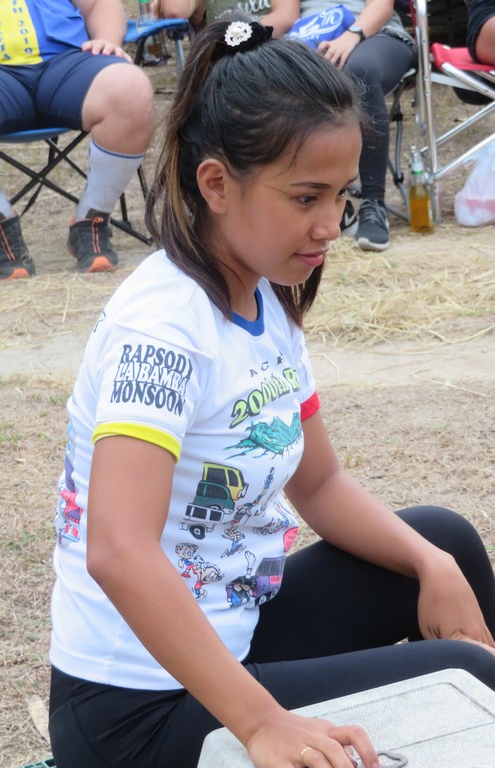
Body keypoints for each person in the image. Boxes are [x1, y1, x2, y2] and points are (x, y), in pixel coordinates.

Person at [48, 17, 495, 768]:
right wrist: (262, 724)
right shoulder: (162, 327)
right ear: (216, 184)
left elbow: (318, 484)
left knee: (443, 542)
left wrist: (430, 566)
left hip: (237, 633)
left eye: (341, 196)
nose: (330, 226)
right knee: (463, 673)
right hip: (134, 715)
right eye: (307, 197)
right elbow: (119, 551)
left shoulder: (265, 295)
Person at [152, 0, 416, 253]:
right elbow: (287, 13)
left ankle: (373, 204)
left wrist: (351, 36)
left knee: (360, 70)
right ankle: (325, 201)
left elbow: (382, 6)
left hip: (373, 34)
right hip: (310, 37)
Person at [0, 0, 155, 280]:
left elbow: (98, 5)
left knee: (131, 87)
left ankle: (92, 217)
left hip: (67, 62)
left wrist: (107, 39)